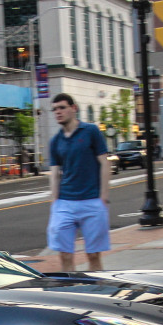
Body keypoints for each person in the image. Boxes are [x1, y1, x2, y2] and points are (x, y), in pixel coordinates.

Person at [47, 93, 112, 272]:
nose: (57, 112)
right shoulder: (55, 141)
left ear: (73, 108)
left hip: (92, 200)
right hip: (65, 203)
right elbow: (54, 174)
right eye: (54, 109)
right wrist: (54, 202)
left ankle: (98, 292)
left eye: (62, 107)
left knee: (93, 254)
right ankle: (71, 293)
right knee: (65, 254)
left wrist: (104, 197)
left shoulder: (91, 131)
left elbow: (105, 163)